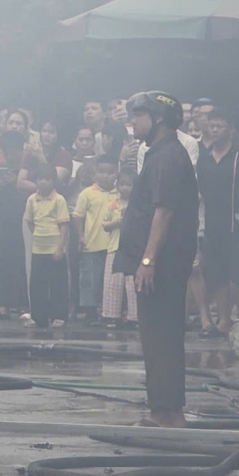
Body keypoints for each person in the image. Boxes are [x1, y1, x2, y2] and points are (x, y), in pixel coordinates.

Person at [116, 91, 198, 429]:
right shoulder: (157, 153)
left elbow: (163, 212)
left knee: (161, 335)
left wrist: (148, 261)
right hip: (158, 262)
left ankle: (165, 412)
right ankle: (164, 409)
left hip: (162, 264)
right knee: (156, 335)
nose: (132, 122)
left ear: (158, 119)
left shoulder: (168, 156)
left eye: (139, 115)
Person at [196, 112, 239, 335]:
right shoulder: (204, 158)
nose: (214, 130)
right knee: (217, 274)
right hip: (214, 224)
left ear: (230, 129)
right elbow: (202, 188)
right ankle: (224, 320)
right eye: (211, 126)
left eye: (219, 126)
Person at [0, 130, 31, 316]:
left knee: (23, 263)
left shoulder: (28, 172)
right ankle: (3, 304)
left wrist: (17, 182)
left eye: (14, 151)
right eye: (7, 152)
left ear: (22, 150)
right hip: (3, 223)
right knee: (3, 263)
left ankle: (24, 303)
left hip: (26, 222)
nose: (11, 156)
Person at [74, 155, 121, 322]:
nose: (105, 175)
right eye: (101, 171)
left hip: (115, 245)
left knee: (111, 282)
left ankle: (110, 311)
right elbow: (78, 216)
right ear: (95, 173)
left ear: (117, 173)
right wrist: (80, 236)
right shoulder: (87, 193)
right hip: (92, 244)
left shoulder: (121, 193)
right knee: (90, 280)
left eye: (110, 172)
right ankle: (90, 313)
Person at [23, 166, 71, 329]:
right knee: (37, 284)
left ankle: (59, 315)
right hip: (38, 249)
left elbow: (64, 226)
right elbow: (29, 221)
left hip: (55, 248)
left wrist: (60, 247)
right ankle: (38, 317)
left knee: (58, 284)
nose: (43, 182)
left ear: (53, 181)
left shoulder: (59, 200)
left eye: (47, 179)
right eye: (40, 179)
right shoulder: (31, 199)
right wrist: (38, 235)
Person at [100, 170, 138, 328]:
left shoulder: (138, 204)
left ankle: (135, 317)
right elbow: (105, 225)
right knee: (113, 282)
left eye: (128, 185)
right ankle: (111, 315)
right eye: (122, 184)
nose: (125, 188)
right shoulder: (113, 204)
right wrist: (118, 222)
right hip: (114, 247)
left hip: (133, 248)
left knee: (132, 284)